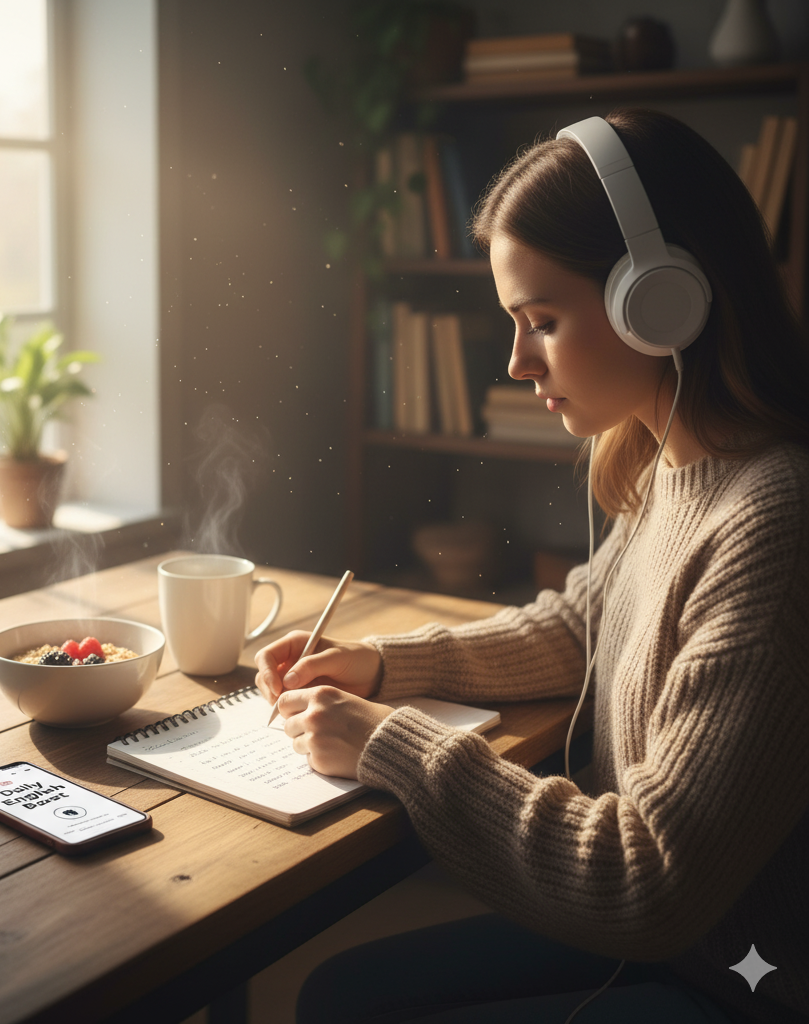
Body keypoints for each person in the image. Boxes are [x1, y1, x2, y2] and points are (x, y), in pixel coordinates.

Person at [254, 108, 808, 1023]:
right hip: (680, 950)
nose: (517, 362)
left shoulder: (773, 521)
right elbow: (579, 626)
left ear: (661, 298)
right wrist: (387, 666)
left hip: (739, 981)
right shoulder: (672, 461)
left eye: (542, 321)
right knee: (338, 994)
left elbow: (650, 881)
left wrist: (388, 742)